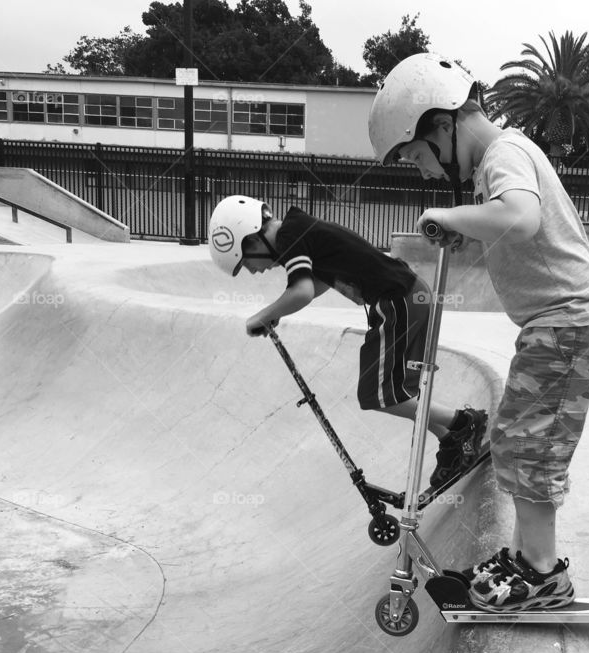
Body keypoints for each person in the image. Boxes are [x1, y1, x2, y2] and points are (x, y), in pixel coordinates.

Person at [368, 53, 589, 612]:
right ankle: (523, 559)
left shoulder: (502, 153)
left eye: (416, 157)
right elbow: (511, 224)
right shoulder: (498, 162)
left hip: (571, 325)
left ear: (442, 126)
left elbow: (523, 216)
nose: (424, 171)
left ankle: (543, 575)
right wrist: (471, 227)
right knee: (516, 438)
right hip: (561, 327)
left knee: (532, 448)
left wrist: (452, 215)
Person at [207, 195, 486, 487]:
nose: (254, 271)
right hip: (408, 297)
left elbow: (300, 291)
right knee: (397, 391)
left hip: (397, 301)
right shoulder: (300, 229)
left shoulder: (290, 235)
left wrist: (262, 315)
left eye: (246, 262)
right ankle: (451, 439)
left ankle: (465, 422)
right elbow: (320, 282)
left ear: (251, 239)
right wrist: (276, 314)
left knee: (378, 395)